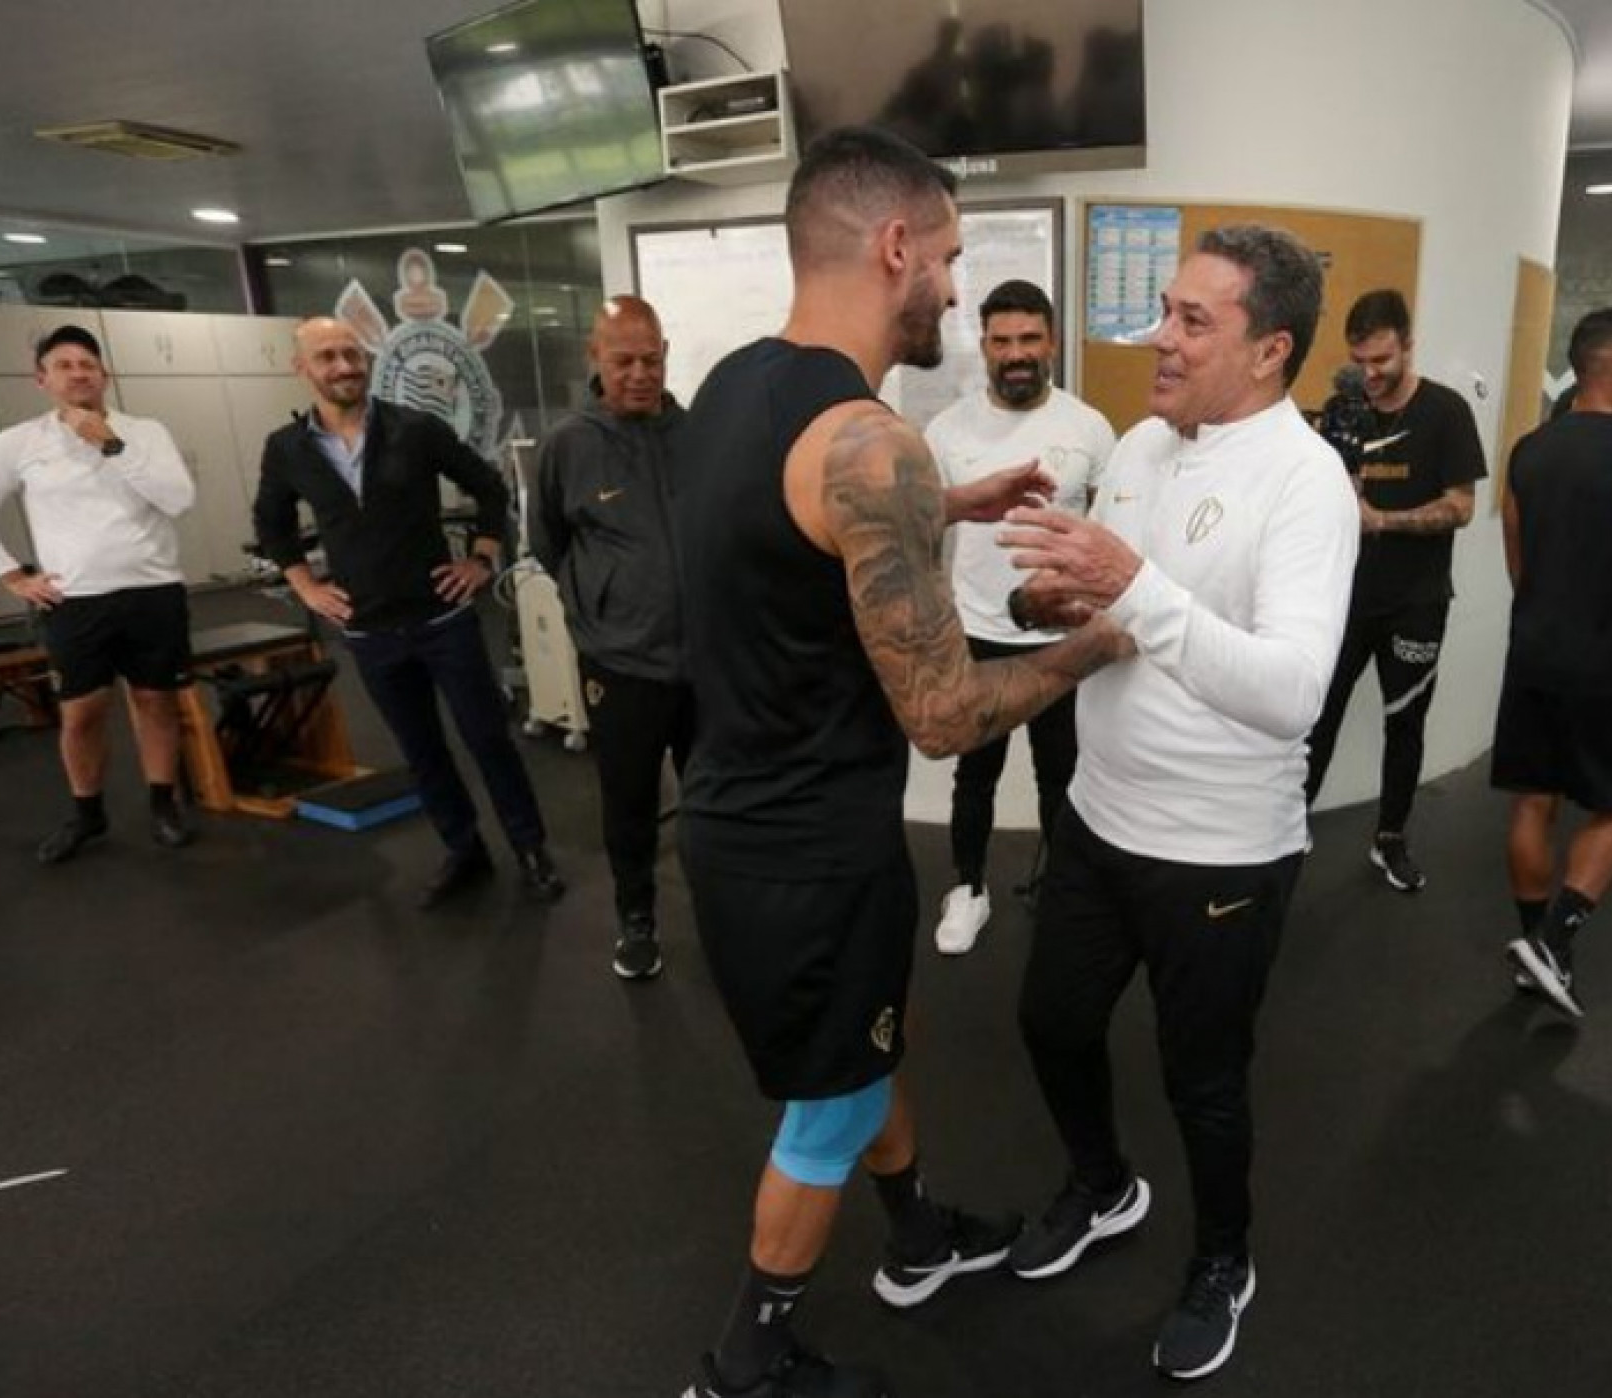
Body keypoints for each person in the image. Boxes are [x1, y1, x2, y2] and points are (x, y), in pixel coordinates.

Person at [673, 126, 1130, 1398]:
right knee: (824, 1106)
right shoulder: (874, 444)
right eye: (945, 256)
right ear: (893, 248)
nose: (949, 285)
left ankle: (918, 1238)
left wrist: (949, 507)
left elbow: (791, 544)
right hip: (805, 850)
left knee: (874, 1046)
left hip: (755, 817)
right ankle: (742, 1362)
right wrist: (1103, 637)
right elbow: (939, 712)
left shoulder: (733, 390)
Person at [998, 225, 1358, 1382]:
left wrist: (1132, 588)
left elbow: (1293, 694)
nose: (1159, 335)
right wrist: (1069, 605)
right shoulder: (1147, 445)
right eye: (1165, 307)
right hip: (1100, 818)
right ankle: (1103, 1187)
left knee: (1200, 1081)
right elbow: (1127, 615)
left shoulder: (1308, 484)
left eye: (1193, 320)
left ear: (1269, 351)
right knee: (1049, 1023)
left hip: (1221, 853)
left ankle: (1223, 1260)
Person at [253, 317, 564, 909]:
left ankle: (529, 848)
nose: (344, 366)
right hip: (370, 632)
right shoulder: (287, 449)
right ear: (302, 368)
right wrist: (306, 587)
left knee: (487, 739)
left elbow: (490, 488)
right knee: (422, 750)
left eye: (351, 353)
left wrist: (481, 558)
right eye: (328, 357)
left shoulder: (415, 428)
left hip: (443, 621)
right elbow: (272, 524)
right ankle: (464, 849)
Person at [1494, 306, 1612, 1019]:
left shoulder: (1527, 450)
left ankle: (1532, 955)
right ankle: (1553, 943)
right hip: (1608, 663)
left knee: (1533, 801)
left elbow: (1518, 561)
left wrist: (1549, 617)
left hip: (1536, 650)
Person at [923, 277, 1116, 954]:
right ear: (983, 345)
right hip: (976, 632)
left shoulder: (1089, 426)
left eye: (1028, 338)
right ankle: (967, 889)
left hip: (1060, 636)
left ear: (1051, 342)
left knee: (1061, 774)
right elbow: (925, 534)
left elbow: (1112, 531)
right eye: (1001, 340)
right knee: (974, 774)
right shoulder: (944, 431)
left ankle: (1059, 893)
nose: (1015, 353)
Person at [0, 325, 198, 864]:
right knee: (81, 714)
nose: (78, 372)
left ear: (104, 375)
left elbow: (178, 500)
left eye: (87, 363)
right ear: (41, 379)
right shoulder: (19, 443)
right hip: (76, 601)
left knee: (156, 701)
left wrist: (109, 444)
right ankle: (87, 814)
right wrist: (11, 576)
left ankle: (164, 804)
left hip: (153, 590)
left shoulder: (144, 432)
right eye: (64, 364)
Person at [1303, 289, 1486, 892]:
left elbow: (1461, 508)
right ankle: (1287, 828)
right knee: (1316, 717)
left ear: (1408, 345)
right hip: (1343, 601)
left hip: (1417, 601)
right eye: (1360, 360)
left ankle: (1390, 839)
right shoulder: (1341, 410)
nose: (1370, 373)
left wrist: (1382, 521)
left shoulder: (1447, 412)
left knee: (1404, 722)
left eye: (1382, 360)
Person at [531, 295, 690, 981]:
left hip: (703, 662)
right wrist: (595, 607)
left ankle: (722, 906)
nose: (638, 373)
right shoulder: (569, 444)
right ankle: (636, 920)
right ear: (594, 359)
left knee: (714, 798)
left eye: (650, 360)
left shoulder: (697, 432)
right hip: (620, 664)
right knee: (627, 801)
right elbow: (548, 541)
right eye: (622, 360)